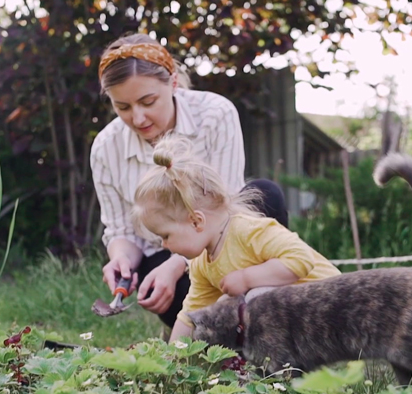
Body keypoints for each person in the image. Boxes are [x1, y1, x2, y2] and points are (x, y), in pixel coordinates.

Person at [90, 32, 289, 329]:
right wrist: (121, 259)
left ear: (172, 82)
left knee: (265, 195)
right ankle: (217, 339)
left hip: (225, 243)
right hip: (165, 253)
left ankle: (270, 319)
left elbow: (228, 210)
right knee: (183, 301)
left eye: (148, 101)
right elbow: (121, 231)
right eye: (124, 107)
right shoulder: (106, 147)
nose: (139, 118)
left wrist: (177, 266)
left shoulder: (215, 114)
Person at [130, 135, 342, 342]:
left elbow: (300, 259)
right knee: (226, 308)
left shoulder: (248, 231)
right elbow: (190, 316)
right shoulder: (202, 264)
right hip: (299, 317)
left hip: (333, 307)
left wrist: (246, 278)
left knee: (252, 299)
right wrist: (170, 360)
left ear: (196, 221)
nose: (164, 245)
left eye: (165, 236)